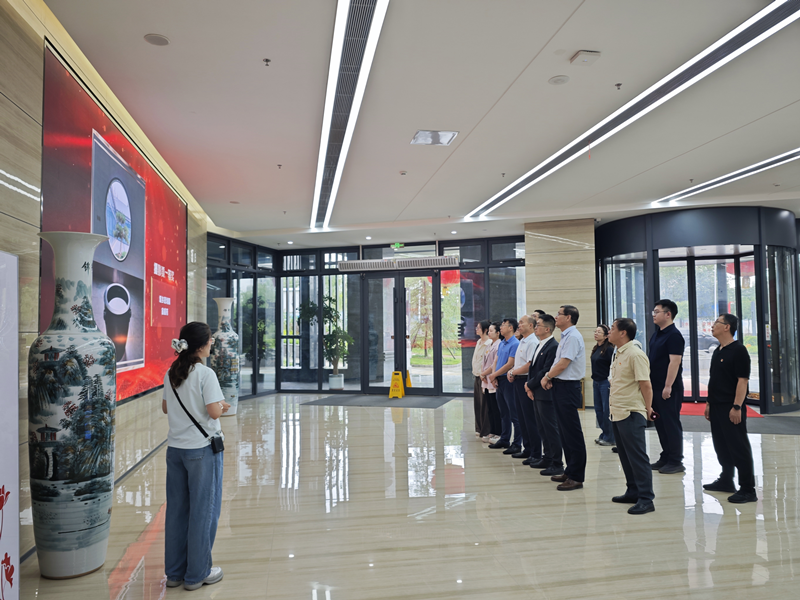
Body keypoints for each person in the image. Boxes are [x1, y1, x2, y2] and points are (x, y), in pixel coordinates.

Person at [162, 322, 231, 591]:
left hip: (175, 450)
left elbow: (166, 407)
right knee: (204, 511)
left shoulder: (171, 372)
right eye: (210, 340)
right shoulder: (205, 374)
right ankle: (197, 574)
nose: (212, 343)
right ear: (201, 345)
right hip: (202, 451)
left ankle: (175, 573)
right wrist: (223, 406)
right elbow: (213, 412)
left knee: (177, 512)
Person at [703, 314, 756, 504]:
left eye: (716, 323)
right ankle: (726, 480)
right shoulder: (718, 350)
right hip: (716, 405)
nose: (712, 326)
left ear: (727, 327)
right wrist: (709, 403)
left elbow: (743, 381)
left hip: (731, 406)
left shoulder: (739, 350)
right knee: (721, 445)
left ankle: (748, 489)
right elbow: (714, 379)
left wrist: (737, 406)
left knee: (738, 446)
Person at [608, 318, 656, 515]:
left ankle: (646, 498)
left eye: (612, 328)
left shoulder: (635, 354)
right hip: (618, 411)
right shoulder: (619, 352)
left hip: (631, 412)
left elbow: (645, 384)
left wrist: (648, 408)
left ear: (623, 333)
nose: (609, 331)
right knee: (625, 455)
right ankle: (633, 491)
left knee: (637, 456)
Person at [541, 305, 587, 491]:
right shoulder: (566, 336)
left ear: (568, 317)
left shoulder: (573, 336)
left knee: (572, 434)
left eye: (559, 314)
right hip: (561, 386)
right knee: (564, 432)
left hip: (568, 387)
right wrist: (552, 378)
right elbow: (558, 363)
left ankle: (577, 477)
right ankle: (570, 470)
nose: (556, 317)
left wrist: (547, 376)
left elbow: (563, 363)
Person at [648, 299, 686, 474]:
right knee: (660, 423)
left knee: (671, 424)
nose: (654, 315)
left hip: (669, 388)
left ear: (668, 314)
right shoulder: (657, 334)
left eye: (657, 312)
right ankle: (666, 456)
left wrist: (668, 386)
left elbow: (674, 362)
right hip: (655, 386)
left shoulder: (674, 336)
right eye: (654, 312)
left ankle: (676, 460)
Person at [525, 314, 563, 476]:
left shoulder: (553, 346)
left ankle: (557, 462)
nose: (535, 328)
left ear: (547, 329)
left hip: (545, 393)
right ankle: (547, 457)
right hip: (537, 391)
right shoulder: (540, 344)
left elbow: (545, 370)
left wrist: (529, 384)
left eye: (538, 325)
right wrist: (529, 385)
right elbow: (533, 368)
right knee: (542, 427)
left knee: (550, 429)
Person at [507, 314, 542, 462]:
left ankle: (536, 453)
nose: (519, 325)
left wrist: (513, 372)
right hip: (517, 380)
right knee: (522, 418)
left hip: (526, 380)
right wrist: (512, 372)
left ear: (531, 325)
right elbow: (518, 363)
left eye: (522, 323)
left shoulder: (532, 342)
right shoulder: (522, 340)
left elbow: (529, 365)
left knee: (530, 419)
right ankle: (527, 449)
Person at [488, 318, 520, 452]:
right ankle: (504, 439)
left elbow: (510, 364)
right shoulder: (502, 343)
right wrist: (494, 375)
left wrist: (494, 375)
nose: (501, 327)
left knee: (514, 414)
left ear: (511, 328)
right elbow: (496, 361)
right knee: (503, 413)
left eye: (503, 325)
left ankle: (517, 444)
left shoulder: (515, 343)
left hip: (508, 380)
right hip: (499, 380)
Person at [591, 324, 614, 446]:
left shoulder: (609, 349)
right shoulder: (596, 348)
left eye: (599, 332)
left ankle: (610, 437)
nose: (596, 333)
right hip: (596, 382)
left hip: (605, 382)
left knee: (606, 411)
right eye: (595, 331)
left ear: (605, 336)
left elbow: (612, 366)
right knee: (599, 410)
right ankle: (604, 434)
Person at [480, 322, 502, 442]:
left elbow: (494, 364)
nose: (489, 333)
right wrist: (482, 373)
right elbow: (484, 361)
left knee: (495, 408)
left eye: (491, 331)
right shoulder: (490, 345)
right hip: (486, 379)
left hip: (492, 379)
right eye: (488, 330)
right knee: (490, 408)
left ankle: (498, 433)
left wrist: (484, 373)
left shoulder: (499, 345)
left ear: (498, 333)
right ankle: (492, 431)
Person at [472, 320, 493, 439]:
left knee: (485, 404)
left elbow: (488, 362)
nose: (476, 329)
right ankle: (479, 428)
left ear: (485, 330)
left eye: (479, 328)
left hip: (485, 377)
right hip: (477, 375)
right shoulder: (479, 342)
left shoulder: (489, 343)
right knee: (478, 403)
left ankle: (486, 430)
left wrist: (484, 374)